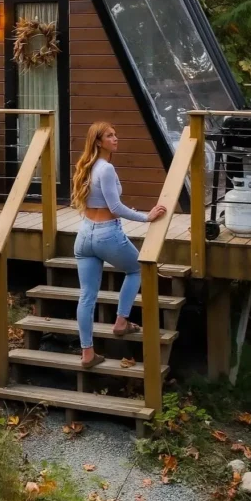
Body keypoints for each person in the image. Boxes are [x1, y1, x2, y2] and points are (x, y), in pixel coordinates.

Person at [71, 122, 167, 369]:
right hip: (106, 234)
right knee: (136, 269)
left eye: (115, 134)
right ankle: (121, 321)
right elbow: (115, 208)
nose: (116, 138)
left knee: (87, 296)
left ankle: (88, 353)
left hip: (84, 236)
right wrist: (147, 216)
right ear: (99, 142)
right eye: (110, 136)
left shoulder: (86, 166)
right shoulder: (107, 169)